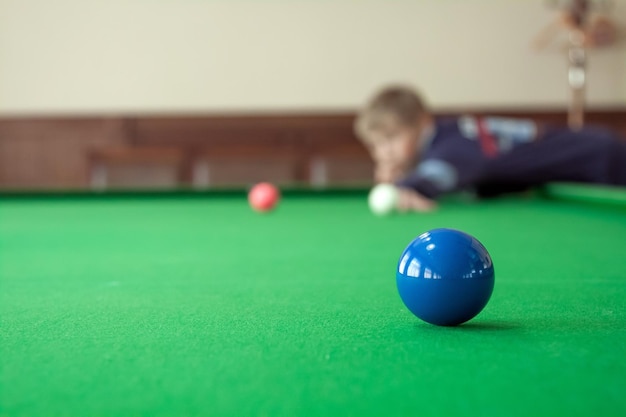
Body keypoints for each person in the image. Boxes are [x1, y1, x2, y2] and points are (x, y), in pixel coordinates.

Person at [354, 85, 626, 212]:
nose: (384, 152)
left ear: (423, 122)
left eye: (391, 138)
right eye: (375, 144)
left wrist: (411, 186)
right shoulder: (452, 133)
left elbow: (442, 170)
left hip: (599, 159)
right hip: (597, 151)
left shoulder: (449, 147)